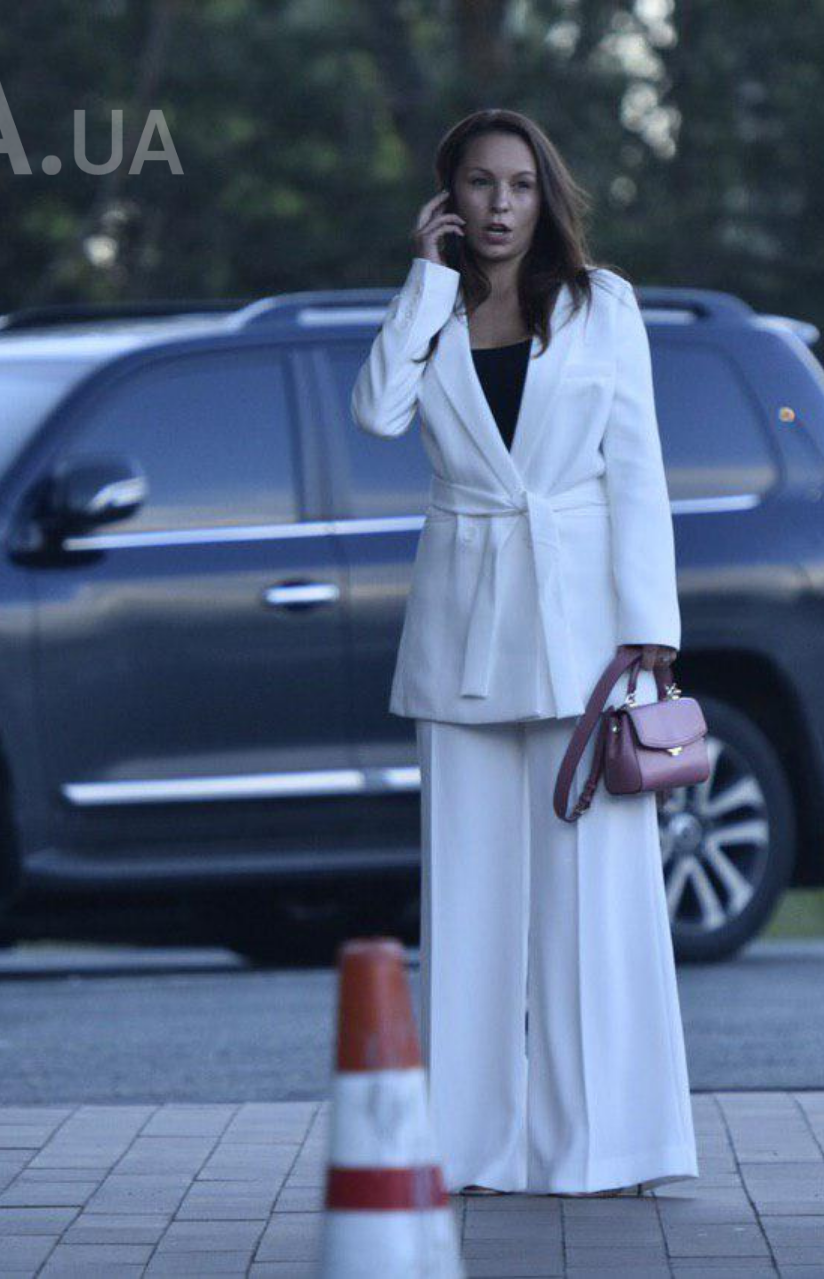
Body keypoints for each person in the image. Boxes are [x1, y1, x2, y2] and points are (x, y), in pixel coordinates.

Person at [350, 109, 698, 1196]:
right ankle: (468, 1146)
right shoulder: (432, 310)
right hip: (462, 631)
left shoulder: (604, 305)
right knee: (467, 904)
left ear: (546, 195)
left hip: (587, 629)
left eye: (520, 184)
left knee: (599, 903)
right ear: (447, 198)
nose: (500, 205)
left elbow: (637, 467)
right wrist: (423, 281)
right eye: (479, 184)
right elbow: (375, 414)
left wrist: (652, 625)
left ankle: (610, 1146)